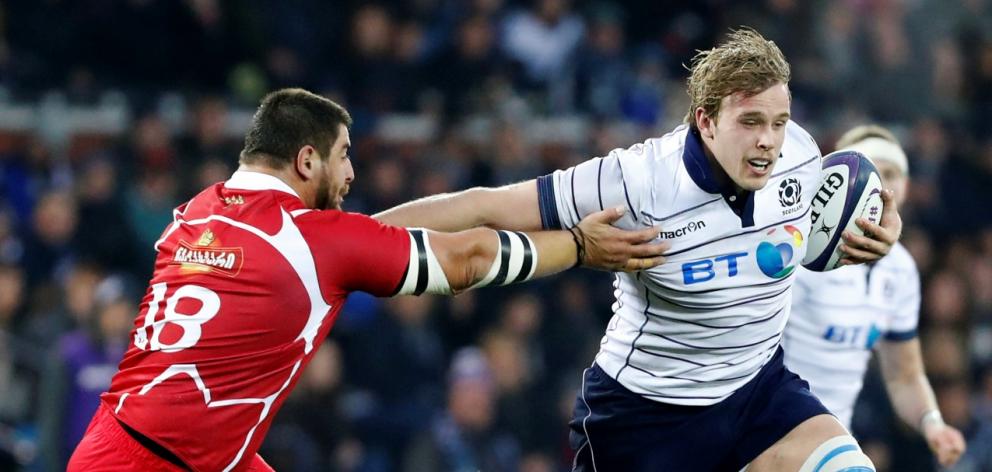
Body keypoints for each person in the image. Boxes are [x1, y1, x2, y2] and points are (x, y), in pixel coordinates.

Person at [375, 28, 903, 471]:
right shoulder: (636, 182)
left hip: (757, 392)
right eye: (750, 122)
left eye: (778, 123)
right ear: (705, 120)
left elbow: (839, 219)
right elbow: (485, 206)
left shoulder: (802, 156)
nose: (769, 140)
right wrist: (345, 240)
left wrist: (883, 226)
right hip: (646, 418)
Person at [66, 88, 666, 471]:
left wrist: (478, 204)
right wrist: (580, 247)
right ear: (307, 160)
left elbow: (356, 240)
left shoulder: (200, 210)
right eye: (344, 153)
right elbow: (468, 260)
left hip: (126, 441)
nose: (351, 171)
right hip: (170, 460)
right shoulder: (317, 241)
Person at [783, 125, 967, 467]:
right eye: (873, 171)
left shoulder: (901, 271)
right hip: (772, 431)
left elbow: (904, 376)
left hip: (834, 437)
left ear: (907, 189)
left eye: (893, 173)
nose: (883, 185)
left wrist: (933, 425)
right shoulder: (799, 254)